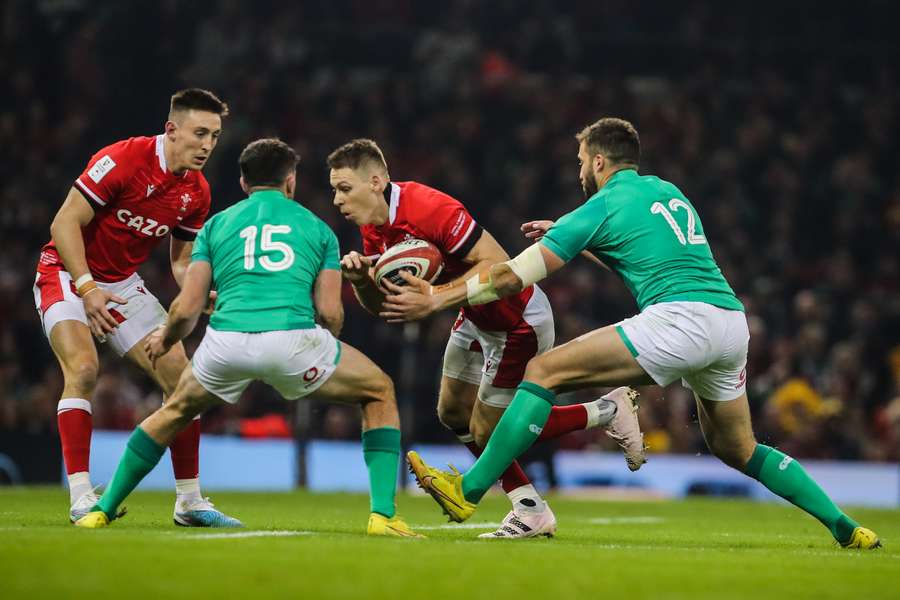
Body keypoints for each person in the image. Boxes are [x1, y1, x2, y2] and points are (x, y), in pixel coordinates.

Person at [389, 118, 881, 549]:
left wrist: (436, 298)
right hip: (730, 322)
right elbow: (638, 255)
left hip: (680, 320)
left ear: (599, 161)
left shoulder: (601, 204)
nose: (579, 171)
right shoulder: (667, 191)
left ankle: (468, 490)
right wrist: (574, 239)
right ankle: (843, 526)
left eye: (581, 161)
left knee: (544, 369)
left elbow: (509, 277)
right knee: (739, 448)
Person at [75, 138, 421, 538]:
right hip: (293, 342)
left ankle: (103, 508)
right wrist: (326, 345)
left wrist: (165, 339)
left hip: (226, 343)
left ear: (243, 182)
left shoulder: (216, 226)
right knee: (379, 390)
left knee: (173, 412)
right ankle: (382, 516)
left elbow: (188, 307)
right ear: (290, 181)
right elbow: (330, 312)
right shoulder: (318, 229)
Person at [327, 139, 643, 539]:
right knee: (452, 413)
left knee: (486, 429)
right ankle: (530, 506)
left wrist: (436, 298)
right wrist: (361, 282)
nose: (336, 199)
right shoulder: (372, 228)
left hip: (517, 320)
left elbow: (497, 262)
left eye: (344, 188)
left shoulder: (428, 207)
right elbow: (384, 308)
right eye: (334, 189)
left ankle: (605, 412)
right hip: (474, 318)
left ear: (376, 181)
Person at [33, 89, 240, 527]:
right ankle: (82, 495)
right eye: (199, 133)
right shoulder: (123, 159)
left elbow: (181, 263)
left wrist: (200, 293)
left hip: (123, 285)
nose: (207, 145)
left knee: (183, 380)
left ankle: (189, 500)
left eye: (215, 136)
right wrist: (87, 288)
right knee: (85, 369)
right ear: (171, 129)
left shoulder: (196, 192)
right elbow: (63, 223)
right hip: (69, 274)